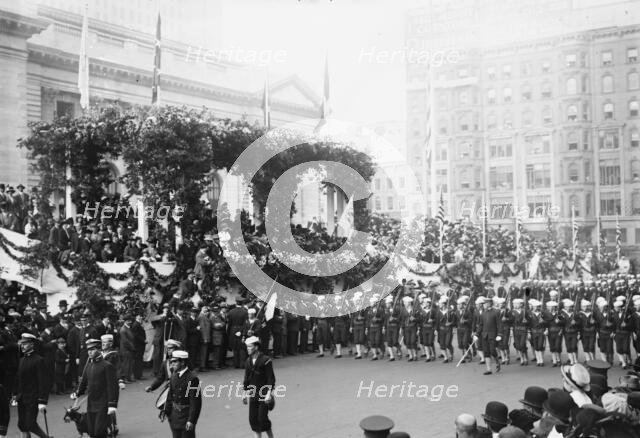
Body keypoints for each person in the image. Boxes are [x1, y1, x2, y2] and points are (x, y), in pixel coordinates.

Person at [71, 338, 118, 438]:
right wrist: (77, 393)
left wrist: (112, 405)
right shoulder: (89, 366)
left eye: (92, 349)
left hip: (103, 403)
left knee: (99, 432)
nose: (90, 352)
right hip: (91, 403)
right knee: (92, 432)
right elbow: (83, 383)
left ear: (99, 350)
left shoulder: (107, 366)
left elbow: (112, 387)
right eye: (88, 350)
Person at [13, 333, 51, 438]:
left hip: (33, 398)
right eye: (21, 344)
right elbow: (18, 379)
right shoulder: (21, 360)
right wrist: (15, 394)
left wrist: (42, 401)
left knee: (31, 424)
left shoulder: (38, 360)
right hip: (22, 398)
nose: (22, 346)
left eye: (25, 344)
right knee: (22, 425)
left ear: (31, 344)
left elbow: (43, 382)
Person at [161, 350, 202, 438]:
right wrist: (166, 411)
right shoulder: (173, 376)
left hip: (186, 417)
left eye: (175, 361)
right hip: (175, 417)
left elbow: (195, 403)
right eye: (171, 361)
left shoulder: (192, 378)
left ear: (182, 362)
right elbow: (170, 397)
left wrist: (191, 420)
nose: (172, 364)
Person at [243, 336, 275, 438]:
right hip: (253, 393)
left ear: (256, 347)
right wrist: (244, 394)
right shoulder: (248, 361)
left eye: (250, 346)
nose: (248, 349)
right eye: (247, 347)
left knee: (262, 419)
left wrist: (269, 394)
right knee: (253, 419)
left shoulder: (266, 360)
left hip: (264, 393)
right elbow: (246, 379)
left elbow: (270, 378)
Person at [473, 297, 502, 375]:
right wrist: (477, 334)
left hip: (493, 335)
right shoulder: (483, 313)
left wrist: (499, 334)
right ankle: (488, 369)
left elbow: (499, 324)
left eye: (485, 303)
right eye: (483, 303)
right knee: (486, 352)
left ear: (490, 303)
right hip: (484, 335)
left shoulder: (496, 312)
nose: (484, 305)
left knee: (492, 351)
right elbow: (481, 325)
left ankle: (497, 361)